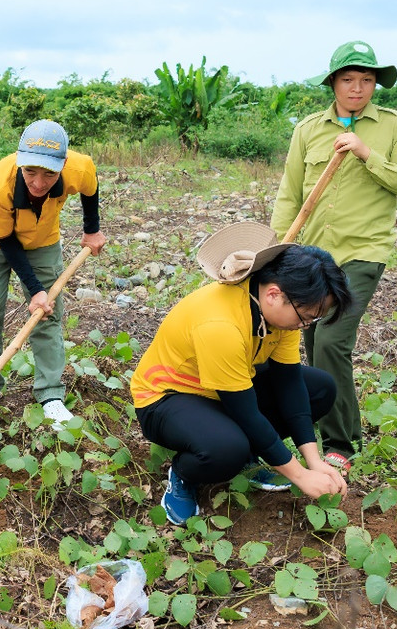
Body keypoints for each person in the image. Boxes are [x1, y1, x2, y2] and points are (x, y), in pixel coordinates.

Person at [130, 222, 353, 525]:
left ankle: (249, 457)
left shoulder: (278, 314)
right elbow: (245, 413)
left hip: (226, 390)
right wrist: (299, 475)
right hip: (168, 398)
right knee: (226, 448)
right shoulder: (221, 325)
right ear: (274, 294)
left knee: (320, 388)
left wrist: (313, 462)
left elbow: (290, 384)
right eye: (307, 317)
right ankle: (184, 473)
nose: (306, 325)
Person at [270, 40, 397, 470]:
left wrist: (365, 152)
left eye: (367, 80)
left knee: (332, 343)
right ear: (333, 83)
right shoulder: (308, 130)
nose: (358, 88)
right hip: (312, 255)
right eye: (349, 79)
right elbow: (290, 193)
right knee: (311, 340)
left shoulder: (394, 127)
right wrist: (277, 248)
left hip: (362, 252)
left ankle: (342, 443)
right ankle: (309, 430)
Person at [0, 120, 106, 426]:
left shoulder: (78, 168)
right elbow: (7, 242)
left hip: (43, 240)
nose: (39, 183)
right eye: (30, 171)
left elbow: (91, 186)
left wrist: (91, 230)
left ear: (64, 165)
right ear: (19, 161)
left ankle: (51, 394)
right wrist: (35, 288)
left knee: (47, 313)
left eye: (49, 174)